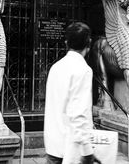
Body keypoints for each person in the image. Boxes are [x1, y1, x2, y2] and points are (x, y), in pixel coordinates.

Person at [44, 22, 100, 164]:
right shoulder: (83, 70)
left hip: (52, 144)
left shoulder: (55, 67)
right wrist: (87, 152)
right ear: (89, 43)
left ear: (66, 42)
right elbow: (78, 114)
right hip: (71, 149)